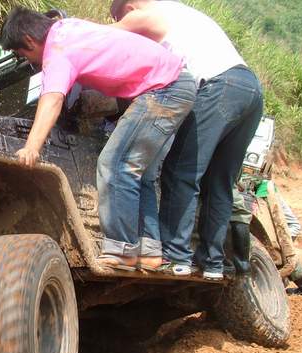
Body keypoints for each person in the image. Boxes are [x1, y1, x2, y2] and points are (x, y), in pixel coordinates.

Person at [0, 7, 196, 271]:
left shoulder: (58, 50)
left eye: (22, 54)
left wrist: (31, 147)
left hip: (164, 89)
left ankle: (122, 251)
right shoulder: (69, 28)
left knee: (115, 164)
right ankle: (149, 252)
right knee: (140, 173)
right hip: (175, 83)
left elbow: (52, 99)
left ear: (29, 40)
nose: (28, 60)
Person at [110, 0, 264, 280]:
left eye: (120, 18)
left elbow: (107, 39)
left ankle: (176, 255)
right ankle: (212, 263)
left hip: (218, 87)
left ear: (129, 9)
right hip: (249, 89)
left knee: (182, 171)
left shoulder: (148, 14)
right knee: (219, 183)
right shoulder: (181, 12)